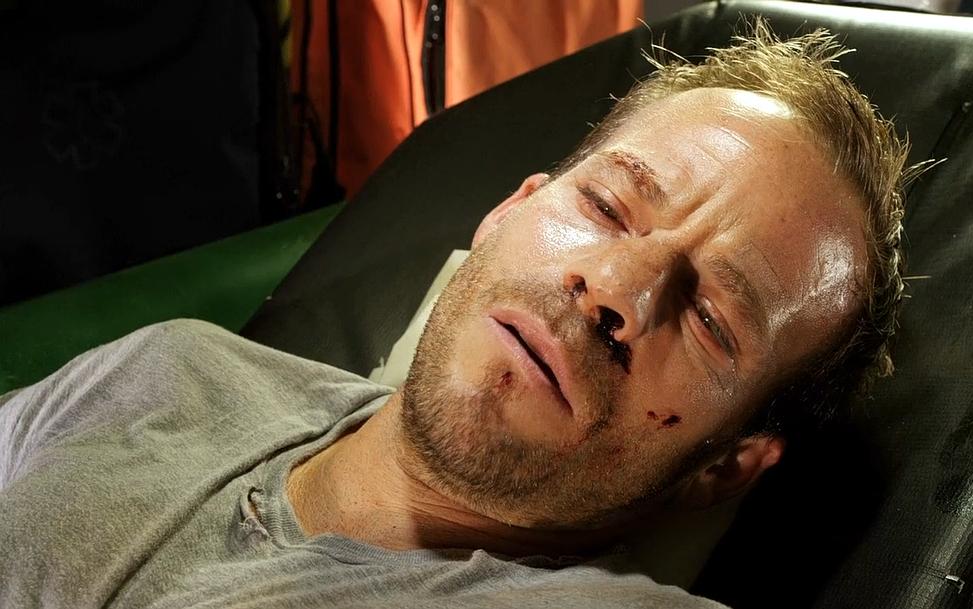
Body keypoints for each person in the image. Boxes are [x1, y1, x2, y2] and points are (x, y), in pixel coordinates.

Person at [0, 23, 913, 608]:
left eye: (712, 318)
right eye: (607, 205)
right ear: (510, 209)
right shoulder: (170, 368)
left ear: (725, 466)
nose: (613, 286)